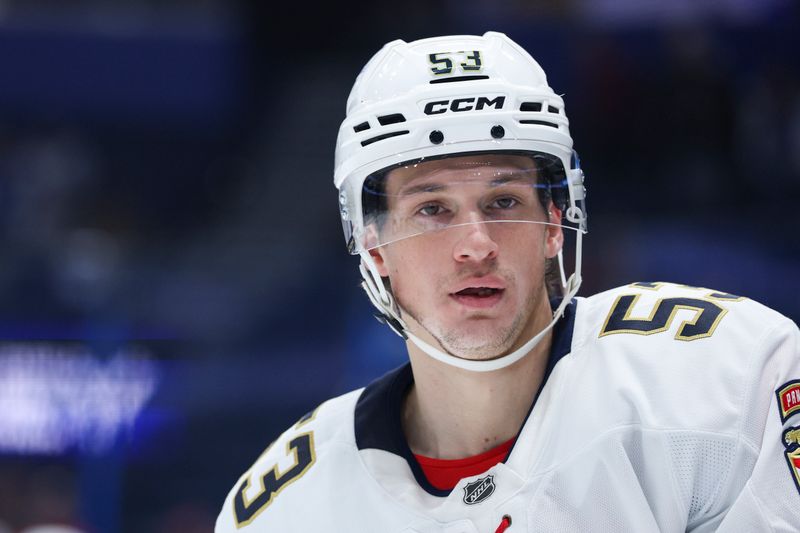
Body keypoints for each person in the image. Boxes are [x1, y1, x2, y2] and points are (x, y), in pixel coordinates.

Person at [216, 32, 800, 532]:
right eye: (432, 210)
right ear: (374, 245)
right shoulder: (289, 508)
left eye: (503, 201)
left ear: (553, 223)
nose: (476, 244)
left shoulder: (716, 380)